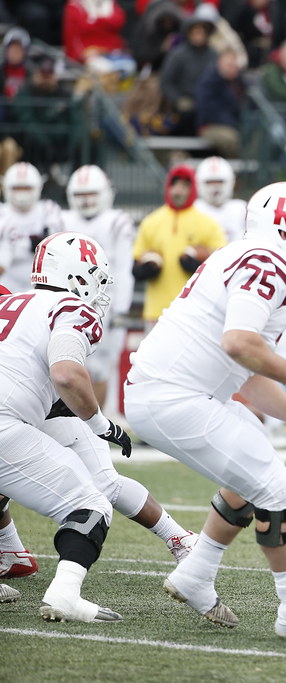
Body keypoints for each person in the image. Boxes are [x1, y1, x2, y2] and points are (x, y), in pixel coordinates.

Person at [124, 181, 286, 641]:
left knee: (246, 477)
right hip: (174, 396)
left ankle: (195, 573)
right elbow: (240, 343)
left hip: (175, 392)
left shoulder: (247, 256)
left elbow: (242, 371)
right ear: (285, 229)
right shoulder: (268, 261)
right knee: (276, 486)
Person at [0, 232, 131, 622]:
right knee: (91, 505)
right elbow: (67, 374)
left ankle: (11, 552)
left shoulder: (8, 302)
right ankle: (65, 594)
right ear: (76, 275)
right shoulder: (71, 307)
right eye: (97, 277)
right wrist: (100, 424)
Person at [61, 165, 135, 406]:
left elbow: (124, 269)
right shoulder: (61, 219)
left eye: (91, 193)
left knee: (101, 367)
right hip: (68, 301)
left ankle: (97, 421)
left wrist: (121, 308)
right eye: (81, 194)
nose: (86, 200)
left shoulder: (116, 221)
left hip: (105, 303)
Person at [132, 164, 226, 327]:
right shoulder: (151, 222)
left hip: (195, 312)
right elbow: (135, 264)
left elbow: (223, 264)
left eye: (184, 185)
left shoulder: (208, 223)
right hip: (157, 312)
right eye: (174, 185)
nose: (178, 191)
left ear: (193, 188)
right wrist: (146, 269)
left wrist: (198, 265)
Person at [0, 162, 64, 293]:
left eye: (26, 188)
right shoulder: (2, 212)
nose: (22, 193)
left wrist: (18, 243)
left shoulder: (48, 209)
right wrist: (31, 243)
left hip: (44, 283)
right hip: (7, 282)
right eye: (17, 188)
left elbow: (56, 247)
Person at [193, 156, 246, 242]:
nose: (215, 187)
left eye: (220, 182)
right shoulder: (194, 209)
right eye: (210, 182)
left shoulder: (242, 209)